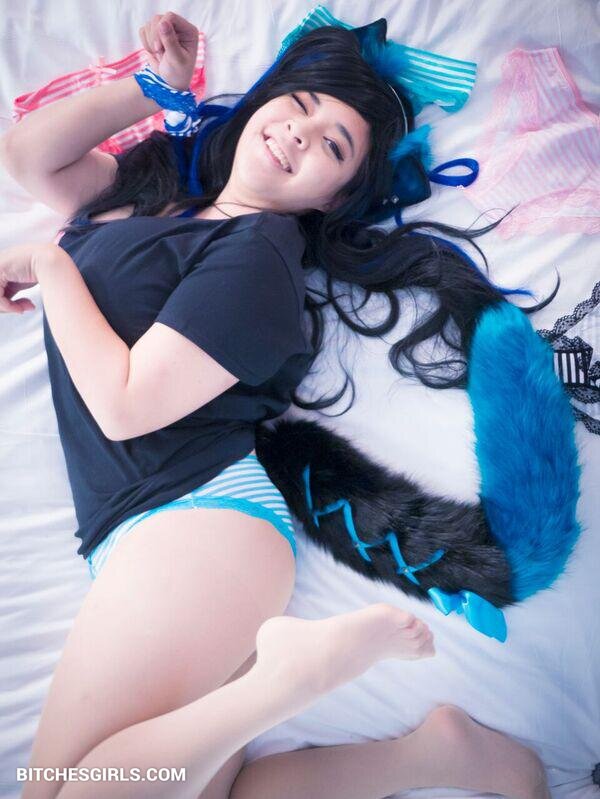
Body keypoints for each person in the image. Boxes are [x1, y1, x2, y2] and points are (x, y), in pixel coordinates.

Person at [0, 10, 550, 799]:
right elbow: (29, 157)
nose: (300, 130)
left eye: (334, 145)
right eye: (300, 104)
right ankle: (438, 758)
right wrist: (153, 88)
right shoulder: (161, 196)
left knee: (69, 792)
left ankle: (287, 680)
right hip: (152, 535)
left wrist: (52, 268)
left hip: (192, 521)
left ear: (335, 196)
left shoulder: (258, 257)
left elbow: (124, 405)